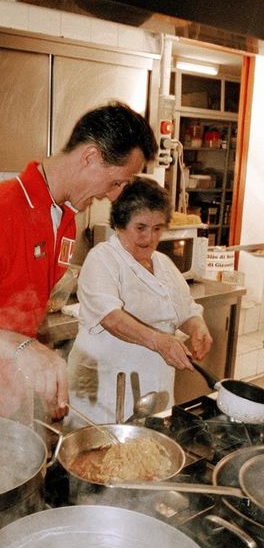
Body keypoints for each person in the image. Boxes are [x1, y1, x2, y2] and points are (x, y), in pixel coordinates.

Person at [0, 101, 158, 422]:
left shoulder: (65, 217)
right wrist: (24, 350)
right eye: (117, 182)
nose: (114, 196)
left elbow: (19, 310)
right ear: (90, 157)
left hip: (4, 395)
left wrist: (40, 364)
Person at [67, 176, 213, 425]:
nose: (149, 237)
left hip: (153, 388)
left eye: (157, 228)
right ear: (120, 225)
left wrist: (197, 326)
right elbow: (111, 318)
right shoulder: (103, 259)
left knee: (148, 454)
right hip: (105, 388)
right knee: (101, 457)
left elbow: (185, 309)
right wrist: (158, 342)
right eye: (141, 227)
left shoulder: (163, 264)